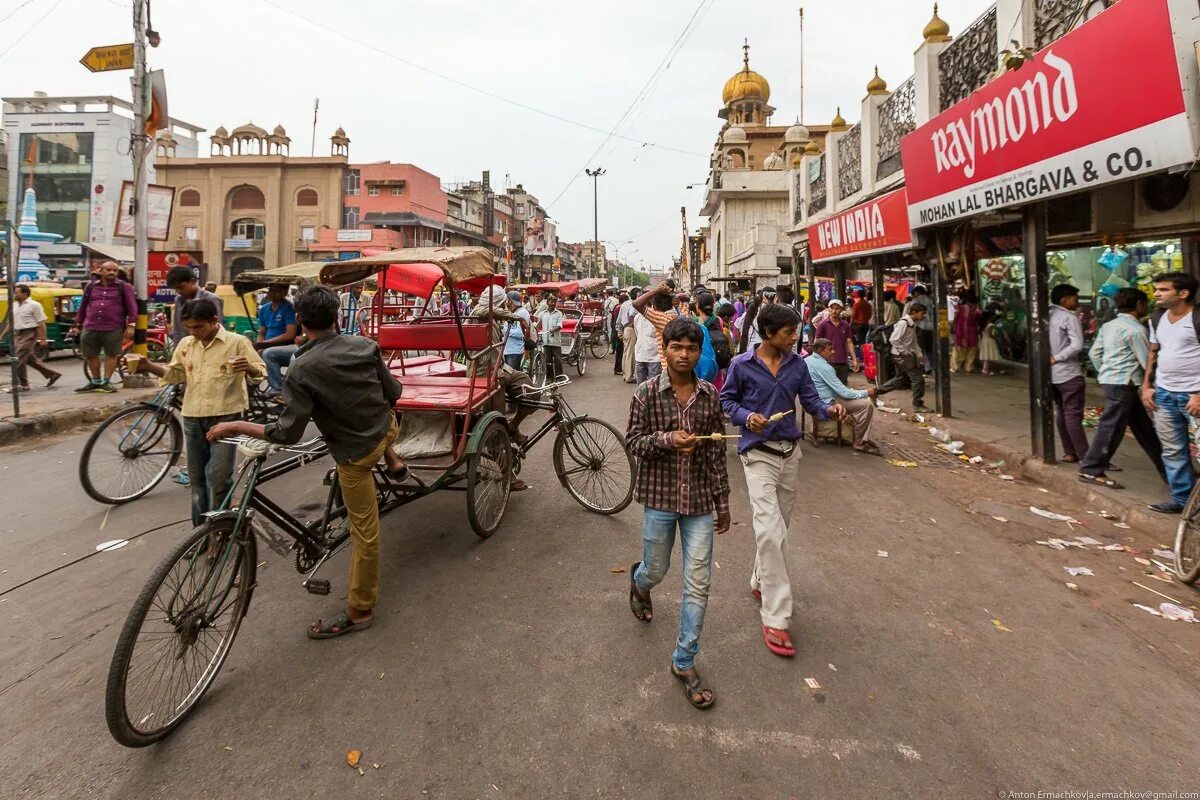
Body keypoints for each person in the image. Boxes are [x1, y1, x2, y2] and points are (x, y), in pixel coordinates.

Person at [207, 286, 407, 639]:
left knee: (366, 535)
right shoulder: (364, 345)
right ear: (336, 317)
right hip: (387, 429)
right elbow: (394, 394)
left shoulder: (300, 368)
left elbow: (287, 434)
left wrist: (237, 424)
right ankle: (392, 458)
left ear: (299, 321)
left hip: (356, 454)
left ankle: (360, 610)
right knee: (377, 430)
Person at [720, 304, 846, 658]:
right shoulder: (741, 365)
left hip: (790, 453)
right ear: (770, 332)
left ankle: (760, 579)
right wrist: (747, 416)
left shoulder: (798, 365)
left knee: (780, 527)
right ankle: (776, 617)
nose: (796, 338)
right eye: (790, 332)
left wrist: (828, 409)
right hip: (757, 454)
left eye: (796, 332)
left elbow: (810, 401)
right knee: (769, 530)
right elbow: (726, 401)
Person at [626, 317, 730, 710]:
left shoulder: (709, 396)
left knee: (698, 582)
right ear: (664, 348)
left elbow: (716, 452)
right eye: (677, 347)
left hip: (701, 501)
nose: (684, 355)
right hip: (660, 499)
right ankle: (639, 584)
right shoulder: (646, 394)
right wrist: (668, 440)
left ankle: (684, 661)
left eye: (692, 348)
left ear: (699, 352)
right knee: (656, 569)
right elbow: (634, 441)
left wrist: (723, 501)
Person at [131, 298, 266, 526]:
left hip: (227, 416)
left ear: (214, 321)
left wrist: (249, 368)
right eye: (189, 327)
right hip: (193, 416)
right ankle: (200, 532)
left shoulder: (237, 343)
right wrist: (148, 366)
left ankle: (220, 529)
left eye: (198, 327)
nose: (193, 332)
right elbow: (175, 375)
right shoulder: (186, 344)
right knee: (197, 479)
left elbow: (260, 372)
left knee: (218, 476)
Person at [1078, 288, 1164, 490]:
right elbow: (1147, 362)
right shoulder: (1136, 330)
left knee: (1144, 430)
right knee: (1112, 427)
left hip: (1113, 381)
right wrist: (1156, 386)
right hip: (1125, 383)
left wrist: (1107, 372)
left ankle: (1170, 469)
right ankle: (1091, 468)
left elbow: (1095, 354)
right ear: (1139, 305)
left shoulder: (1109, 326)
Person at [1142, 272, 1200, 514]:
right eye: (1157, 289)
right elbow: (1153, 353)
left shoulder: (1197, 318)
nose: (1156, 293)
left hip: (1193, 395)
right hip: (1164, 394)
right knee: (1172, 450)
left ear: (1183, 293)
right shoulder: (1156, 318)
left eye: (1164, 289)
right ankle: (1182, 500)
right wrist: (1147, 386)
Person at [805, 337, 879, 454]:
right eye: (830, 349)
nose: (834, 352)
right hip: (827, 401)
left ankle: (859, 436)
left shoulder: (807, 360)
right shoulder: (825, 367)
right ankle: (859, 442)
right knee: (866, 404)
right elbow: (844, 393)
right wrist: (866, 392)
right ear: (821, 351)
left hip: (814, 399)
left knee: (859, 399)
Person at [72, 260, 136, 393]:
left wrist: (131, 325)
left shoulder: (124, 287)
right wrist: (77, 324)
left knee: (111, 354)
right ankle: (95, 381)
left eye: (115, 270)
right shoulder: (91, 286)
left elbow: (132, 307)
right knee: (90, 354)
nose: (112, 272)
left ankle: (106, 382)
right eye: (109, 270)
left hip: (113, 326)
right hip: (90, 325)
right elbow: (83, 306)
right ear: (101, 271)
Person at [1049, 283, 1089, 463]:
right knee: (1072, 415)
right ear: (1064, 300)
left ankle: (1069, 452)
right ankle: (1084, 456)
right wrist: (1058, 357)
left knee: (1061, 412)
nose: (1077, 302)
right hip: (1068, 372)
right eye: (1075, 298)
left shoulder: (1047, 315)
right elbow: (1077, 345)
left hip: (1052, 375)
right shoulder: (1068, 317)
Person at [6, 284, 62, 391]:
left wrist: (43, 338)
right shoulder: (14, 305)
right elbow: (10, 322)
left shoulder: (34, 305)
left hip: (30, 333)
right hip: (19, 334)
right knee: (28, 359)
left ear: (25, 293)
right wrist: (2, 335)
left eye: (17, 292)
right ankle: (52, 375)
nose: (15, 294)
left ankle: (21, 384)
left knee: (17, 358)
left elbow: (42, 323)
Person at [876, 302, 929, 410]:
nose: (923, 316)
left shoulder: (912, 323)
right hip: (901, 355)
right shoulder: (904, 323)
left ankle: (876, 391)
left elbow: (913, 341)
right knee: (918, 378)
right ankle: (917, 404)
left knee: (900, 379)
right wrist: (905, 351)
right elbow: (894, 339)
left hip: (901, 355)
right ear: (914, 312)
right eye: (922, 313)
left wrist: (919, 354)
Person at [255, 284, 301, 393]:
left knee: (268, 353)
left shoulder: (289, 308)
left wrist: (265, 344)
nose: (272, 293)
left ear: (284, 292)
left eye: (277, 291)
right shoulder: (264, 309)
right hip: (266, 344)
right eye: (271, 290)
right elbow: (261, 333)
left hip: (284, 346)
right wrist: (259, 344)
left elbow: (290, 334)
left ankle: (277, 388)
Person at [631, 281, 680, 382]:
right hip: (647, 356)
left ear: (655, 307)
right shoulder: (675, 316)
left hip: (662, 364)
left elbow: (636, 304)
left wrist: (657, 290)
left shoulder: (661, 318)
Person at [165, 265, 223, 345]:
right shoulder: (178, 300)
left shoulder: (211, 299)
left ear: (192, 281)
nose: (178, 291)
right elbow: (177, 329)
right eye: (175, 289)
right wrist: (177, 351)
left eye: (181, 287)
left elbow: (217, 328)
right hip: (186, 350)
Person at [813, 298, 858, 383]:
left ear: (841, 310)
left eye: (837, 308)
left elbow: (849, 342)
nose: (834, 311)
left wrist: (854, 360)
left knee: (843, 385)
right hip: (827, 361)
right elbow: (817, 342)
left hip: (842, 361)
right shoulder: (823, 324)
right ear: (828, 309)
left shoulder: (845, 325)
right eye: (832, 308)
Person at [502, 289, 534, 371]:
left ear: (510, 301)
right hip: (507, 349)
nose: (505, 302)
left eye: (507, 300)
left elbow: (520, 333)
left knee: (512, 376)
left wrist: (503, 329)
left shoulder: (522, 313)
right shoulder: (511, 312)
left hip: (514, 350)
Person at [952, 291, 981, 373]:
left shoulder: (960, 308)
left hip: (961, 330)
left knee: (958, 349)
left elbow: (956, 317)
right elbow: (978, 321)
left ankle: (955, 367)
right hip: (972, 331)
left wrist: (953, 326)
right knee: (971, 349)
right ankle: (969, 367)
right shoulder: (977, 311)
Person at [909, 285, 935, 374]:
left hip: (920, 327)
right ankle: (931, 366)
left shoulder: (916, 301)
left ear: (917, 292)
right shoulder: (930, 300)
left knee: (920, 349)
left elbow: (912, 314)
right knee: (929, 349)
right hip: (931, 327)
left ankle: (925, 367)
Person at [539, 294, 564, 380]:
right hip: (545, 341)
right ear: (547, 302)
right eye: (551, 301)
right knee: (547, 361)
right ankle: (550, 377)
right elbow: (538, 324)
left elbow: (560, 325)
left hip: (555, 341)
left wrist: (553, 330)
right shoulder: (542, 314)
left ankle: (559, 376)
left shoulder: (559, 313)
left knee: (558, 360)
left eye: (554, 302)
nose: (553, 303)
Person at [618, 288, 639, 383]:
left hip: (625, 329)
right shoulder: (634, 304)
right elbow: (631, 316)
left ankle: (625, 374)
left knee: (626, 353)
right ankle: (629, 376)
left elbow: (619, 319)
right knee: (630, 354)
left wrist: (619, 330)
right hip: (630, 329)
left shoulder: (624, 304)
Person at [979, 302, 1001, 374]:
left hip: (984, 340)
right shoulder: (990, 325)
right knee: (989, 356)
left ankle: (985, 369)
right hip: (990, 341)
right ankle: (986, 369)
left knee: (986, 356)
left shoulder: (982, 325)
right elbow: (990, 334)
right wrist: (996, 337)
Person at [611, 291, 628, 374]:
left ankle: (619, 368)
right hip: (619, 330)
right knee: (620, 351)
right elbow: (619, 320)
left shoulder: (617, 306)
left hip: (617, 329)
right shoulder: (620, 308)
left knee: (620, 350)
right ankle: (618, 369)